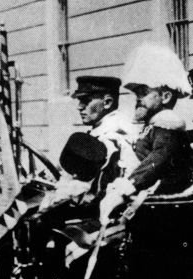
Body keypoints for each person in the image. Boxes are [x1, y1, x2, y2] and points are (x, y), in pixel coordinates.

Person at [98, 43, 192, 220]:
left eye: (144, 93)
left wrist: (129, 185)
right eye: (137, 94)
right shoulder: (154, 125)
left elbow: (158, 159)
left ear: (165, 97)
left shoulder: (167, 124)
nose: (138, 99)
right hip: (149, 197)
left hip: (161, 204)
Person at [45, 76, 139, 210]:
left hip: (101, 210)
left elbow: (85, 188)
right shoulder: (107, 128)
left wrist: (52, 201)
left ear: (107, 102)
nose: (79, 107)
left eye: (85, 101)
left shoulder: (111, 137)